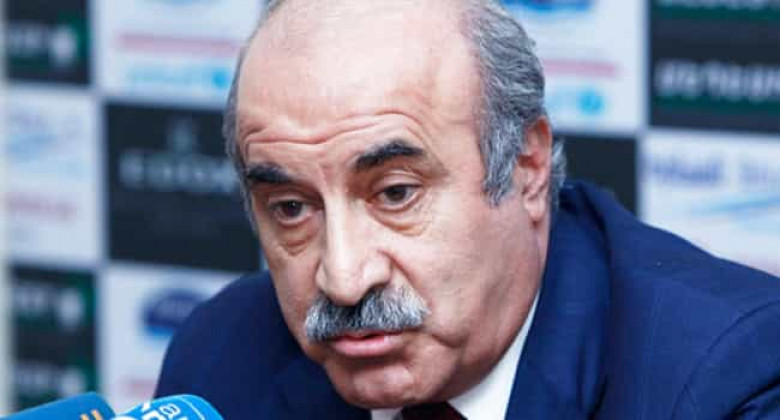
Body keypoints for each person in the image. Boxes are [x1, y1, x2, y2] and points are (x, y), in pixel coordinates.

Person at [155, 0, 780, 418]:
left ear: (526, 167)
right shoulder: (221, 353)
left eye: (396, 193)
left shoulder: (724, 381)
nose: (343, 279)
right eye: (292, 207)